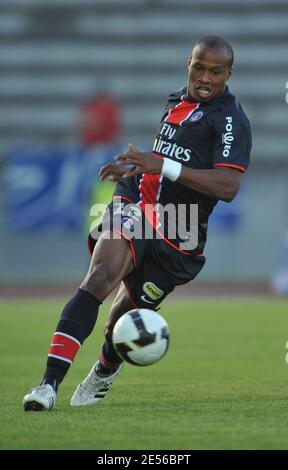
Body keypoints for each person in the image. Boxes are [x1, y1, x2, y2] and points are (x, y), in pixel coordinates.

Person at [23, 36, 251, 411]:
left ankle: (104, 368)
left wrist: (162, 165)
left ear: (229, 73)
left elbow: (227, 186)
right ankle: (47, 386)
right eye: (199, 67)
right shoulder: (177, 99)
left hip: (181, 230)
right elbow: (166, 159)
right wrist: (138, 167)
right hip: (137, 202)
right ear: (188, 63)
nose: (205, 77)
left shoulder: (230, 121)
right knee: (99, 277)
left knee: (122, 320)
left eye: (215, 71)